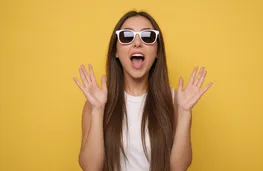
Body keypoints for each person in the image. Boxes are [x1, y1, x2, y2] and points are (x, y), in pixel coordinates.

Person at [73, 10, 213, 171]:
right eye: (127, 36)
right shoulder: (96, 102)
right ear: (116, 51)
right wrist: (98, 110)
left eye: (147, 37)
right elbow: (90, 167)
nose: (137, 43)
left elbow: (178, 168)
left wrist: (184, 112)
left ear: (157, 52)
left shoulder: (177, 101)